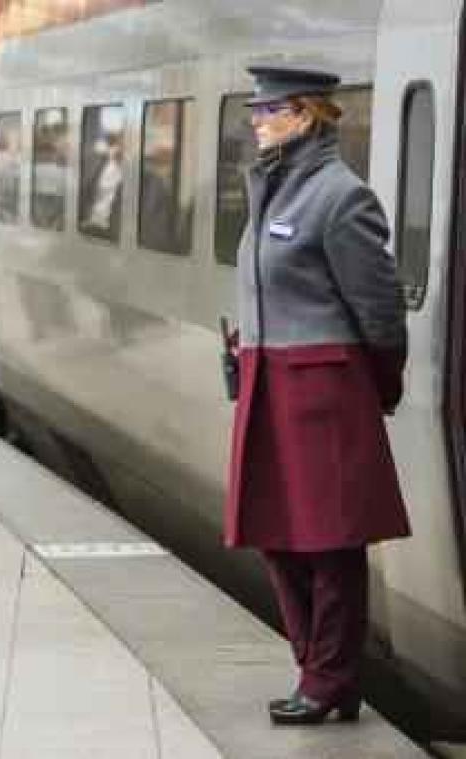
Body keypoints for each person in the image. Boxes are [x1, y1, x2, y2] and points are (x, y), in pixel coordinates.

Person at [224, 66, 410, 725]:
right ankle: (319, 667)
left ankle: (329, 676)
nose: (256, 119)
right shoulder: (272, 190)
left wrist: (377, 383)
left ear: (305, 115)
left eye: (268, 109)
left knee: (330, 544)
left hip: (324, 393)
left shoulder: (340, 197)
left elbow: (380, 311)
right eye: (255, 109)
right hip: (268, 388)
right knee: (275, 534)